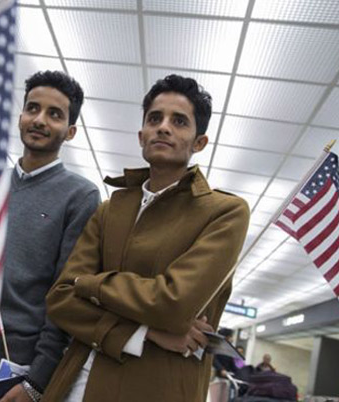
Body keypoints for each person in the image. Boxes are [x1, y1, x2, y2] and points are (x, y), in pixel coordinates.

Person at [43, 74, 250, 402]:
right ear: (141, 136)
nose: (163, 127)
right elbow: (60, 299)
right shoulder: (110, 209)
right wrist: (145, 331)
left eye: (179, 121)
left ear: (199, 142)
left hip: (155, 388)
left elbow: (173, 305)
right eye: (155, 119)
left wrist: (90, 285)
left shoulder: (225, 212)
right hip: (73, 385)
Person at [0, 71, 100, 401]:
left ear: (70, 131)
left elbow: (67, 296)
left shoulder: (80, 197)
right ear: (21, 116)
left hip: (11, 364)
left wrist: (38, 381)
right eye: (33, 108)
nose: (40, 120)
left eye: (54, 114)